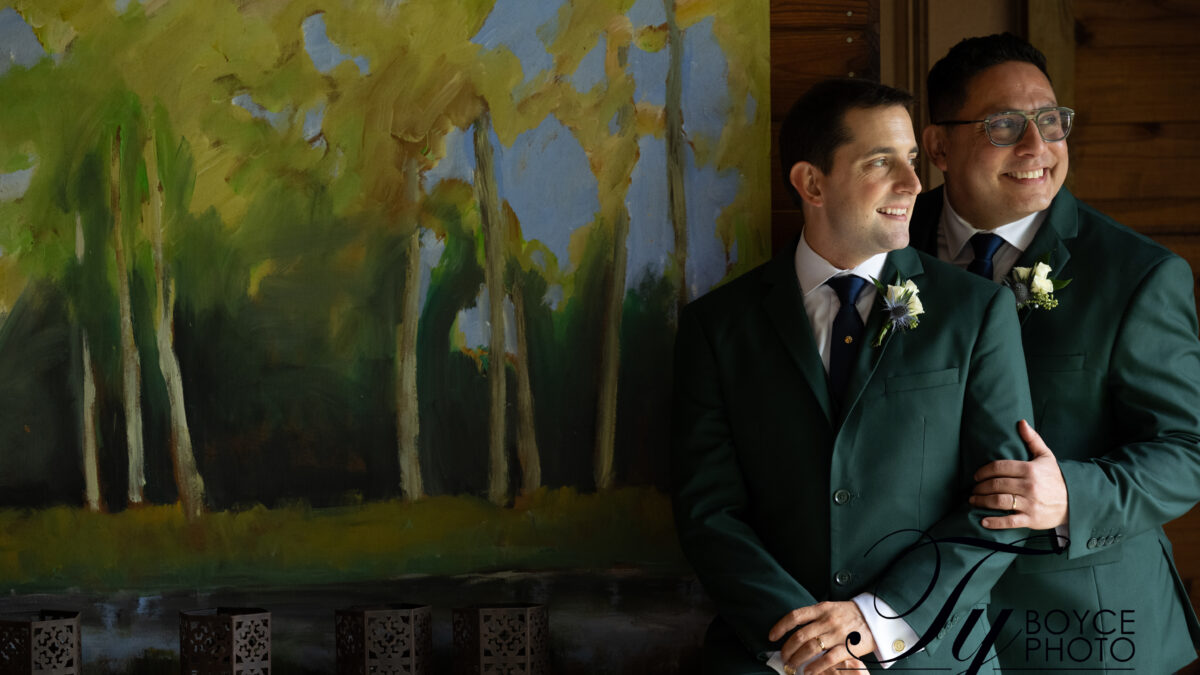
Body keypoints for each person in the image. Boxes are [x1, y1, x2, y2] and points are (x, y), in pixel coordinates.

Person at [672, 77, 1034, 675]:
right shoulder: (717, 328)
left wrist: (875, 618)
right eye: (881, 161)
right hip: (769, 656)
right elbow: (709, 514)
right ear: (811, 183)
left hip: (933, 656)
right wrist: (810, 645)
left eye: (913, 159)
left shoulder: (976, 313)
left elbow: (1000, 508)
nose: (914, 183)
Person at [910, 32, 1200, 672]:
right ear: (937, 147)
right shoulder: (887, 246)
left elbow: (1188, 451)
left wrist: (1074, 493)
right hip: (921, 622)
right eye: (1005, 125)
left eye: (1050, 122)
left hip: (1087, 630)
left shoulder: (1138, 275)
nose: (1037, 148)